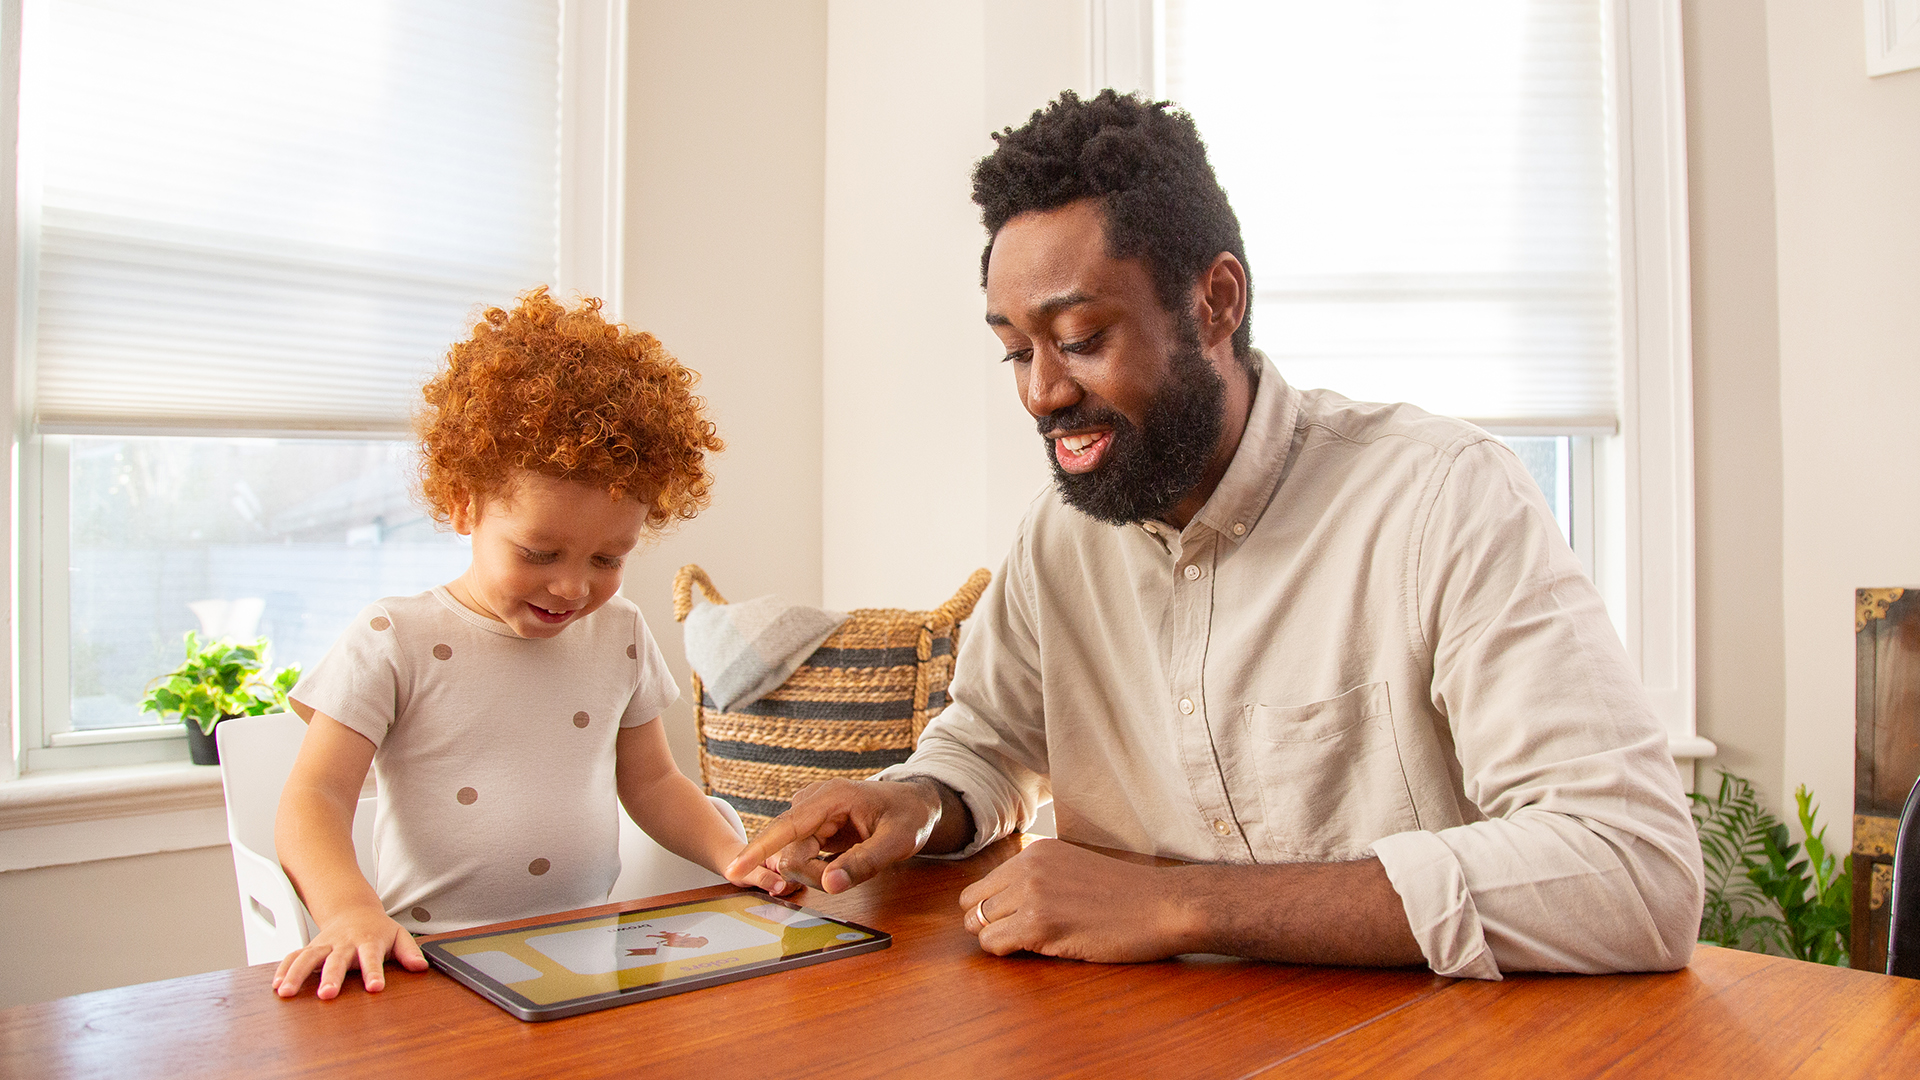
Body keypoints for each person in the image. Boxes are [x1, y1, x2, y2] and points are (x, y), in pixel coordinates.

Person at [730, 90, 1703, 979]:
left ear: (1217, 302)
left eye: (1078, 340)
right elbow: (988, 747)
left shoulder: (1439, 499)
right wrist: (922, 802)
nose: (1041, 392)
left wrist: (1181, 905)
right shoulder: (1055, 545)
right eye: (1015, 352)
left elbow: (1632, 870)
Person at [273, 288, 788, 1001]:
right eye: (541, 553)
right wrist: (349, 910)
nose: (574, 587)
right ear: (463, 504)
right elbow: (314, 798)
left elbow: (653, 783)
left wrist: (732, 853)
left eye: (607, 559)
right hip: (431, 966)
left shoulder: (621, 634)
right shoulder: (395, 639)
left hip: (585, 959)